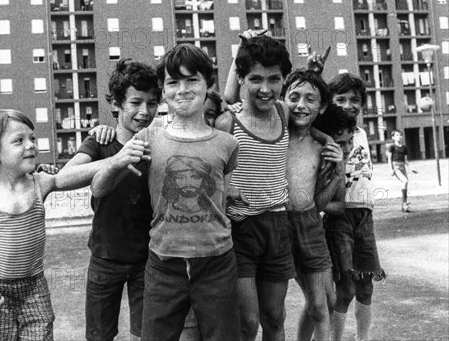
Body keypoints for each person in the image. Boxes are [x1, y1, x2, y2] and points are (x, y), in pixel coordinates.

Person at [92, 44, 241, 341]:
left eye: (192, 80)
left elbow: (222, 195)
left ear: (207, 84)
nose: (183, 90)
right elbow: (99, 188)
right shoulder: (148, 138)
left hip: (216, 261)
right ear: (163, 90)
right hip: (162, 262)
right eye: (173, 82)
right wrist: (118, 160)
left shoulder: (227, 143)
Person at [0, 109, 109, 340]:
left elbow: (73, 176)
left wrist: (117, 159)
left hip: (34, 288)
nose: (30, 145)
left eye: (32, 138)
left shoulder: (41, 183)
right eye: (19, 140)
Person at [218, 33, 337, 341]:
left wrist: (329, 141)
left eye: (274, 79)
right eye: (255, 79)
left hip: (277, 225)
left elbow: (308, 118)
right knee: (248, 320)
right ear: (242, 78)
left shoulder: (284, 112)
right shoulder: (227, 122)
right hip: (241, 229)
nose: (265, 88)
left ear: (284, 79)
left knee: (274, 317)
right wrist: (223, 189)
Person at [62, 59, 159, 341]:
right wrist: (116, 159)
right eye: (135, 102)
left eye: (152, 103)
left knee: (146, 334)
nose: (144, 111)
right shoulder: (101, 142)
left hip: (148, 258)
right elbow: (65, 178)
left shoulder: (158, 143)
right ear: (116, 103)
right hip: (105, 257)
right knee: (99, 335)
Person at [281, 69, 345, 341]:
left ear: (322, 107)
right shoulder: (273, 136)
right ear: (282, 99)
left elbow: (318, 202)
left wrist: (338, 169)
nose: (301, 105)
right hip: (276, 225)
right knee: (281, 307)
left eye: (310, 99)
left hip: (310, 225)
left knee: (324, 303)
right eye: (293, 97)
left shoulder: (323, 146)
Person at [327, 73, 386, 341]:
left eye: (355, 99)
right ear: (330, 102)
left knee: (366, 287)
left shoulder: (360, 134)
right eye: (341, 99)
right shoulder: (326, 133)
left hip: (365, 215)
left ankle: (363, 338)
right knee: (346, 288)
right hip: (340, 216)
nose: (349, 104)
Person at [387, 130, 412, 212]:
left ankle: (404, 204)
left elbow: (405, 160)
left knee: (406, 183)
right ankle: (404, 203)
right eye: (397, 135)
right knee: (404, 181)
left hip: (402, 166)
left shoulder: (404, 147)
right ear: (393, 137)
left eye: (400, 135)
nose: (399, 137)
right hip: (396, 166)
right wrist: (391, 169)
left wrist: (410, 168)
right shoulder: (392, 147)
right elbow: (389, 159)